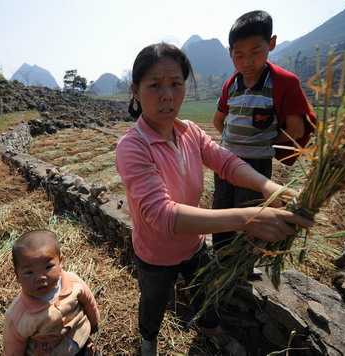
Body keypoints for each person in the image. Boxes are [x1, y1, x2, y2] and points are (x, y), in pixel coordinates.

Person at [115, 42, 313, 356]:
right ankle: (148, 341)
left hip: (193, 245)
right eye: (154, 85)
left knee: (204, 290)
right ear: (135, 91)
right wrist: (246, 219)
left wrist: (268, 187)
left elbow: (226, 162)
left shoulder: (190, 132)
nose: (168, 95)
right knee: (153, 302)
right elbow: (162, 215)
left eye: (176, 84)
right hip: (154, 254)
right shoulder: (132, 147)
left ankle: (212, 327)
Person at [212, 10, 316, 252]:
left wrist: (260, 144)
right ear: (230, 54)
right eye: (239, 55)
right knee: (221, 210)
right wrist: (231, 143)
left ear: (271, 44)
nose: (247, 62)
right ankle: (218, 258)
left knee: (250, 217)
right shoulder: (232, 84)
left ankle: (240, 270)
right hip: (225, 162)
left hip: (256, 165)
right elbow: (219, 121)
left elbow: (296, 129)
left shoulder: (282, 82)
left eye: (256, 52)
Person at [3, 229, 101, 356]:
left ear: (60, 262)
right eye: (29, 272)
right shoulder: (18, 316)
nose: (40, 278)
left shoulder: (73, 283)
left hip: (82, 344)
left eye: (48, 267)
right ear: (17, 275)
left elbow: (89, 302)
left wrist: (94, 322)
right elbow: (13, 348)